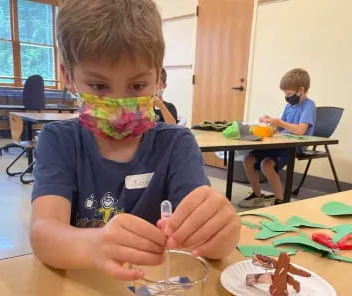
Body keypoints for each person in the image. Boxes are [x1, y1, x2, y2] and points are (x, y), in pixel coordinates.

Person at [30, 0, 240, 281]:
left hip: (155, 293)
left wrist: (223, 232)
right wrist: (94, 245)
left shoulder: (176, 144)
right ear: (68, 76)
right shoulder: (59, 141)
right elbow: (43, 233)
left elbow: (211, 246)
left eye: (137, 85)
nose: (119, 102)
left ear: (158, 78)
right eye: (99, 86)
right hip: (88, 294)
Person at [238, 68, 316, 208]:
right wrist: (269, 123)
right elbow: (280, 129)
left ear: (301, 90)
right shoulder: (289, 106)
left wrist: (279, 122)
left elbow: (300, 130)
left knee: (266, 165)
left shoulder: (308, 106)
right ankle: (257, 195)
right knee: (248, 159)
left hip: (295, 146)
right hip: (281, 143)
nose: (287, 97)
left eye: (289, 94)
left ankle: (280, 201)